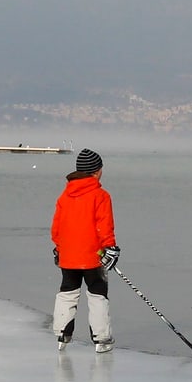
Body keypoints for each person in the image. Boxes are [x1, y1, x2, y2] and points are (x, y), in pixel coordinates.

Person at [50, 148, 120, 353]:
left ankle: (62, 334)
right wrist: (110, 248)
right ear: (96, 171)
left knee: (67, 292)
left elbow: (56, 228)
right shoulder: (101, 195)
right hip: (93, 256)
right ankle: (102, 338)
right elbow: (104, 226)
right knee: (98, 294)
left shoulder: (64, 196)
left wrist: (59, 248)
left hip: (68, 255)